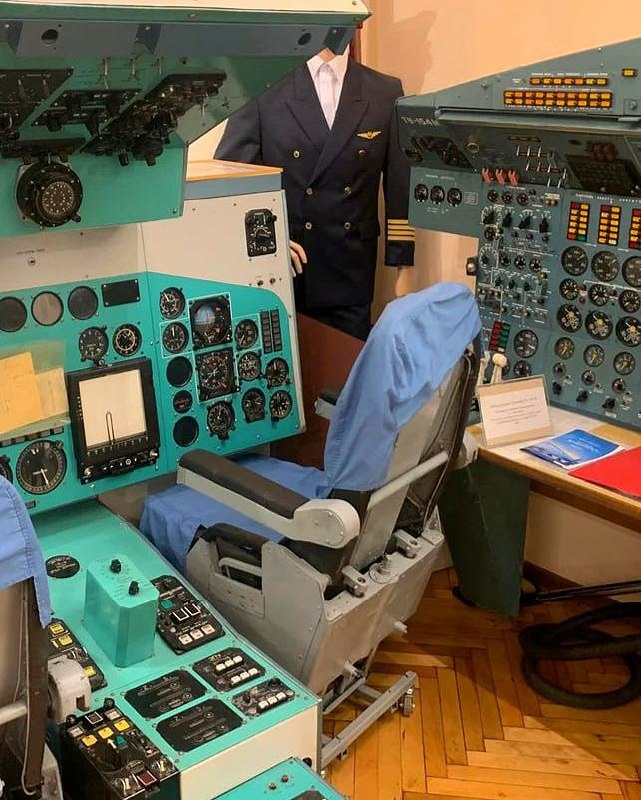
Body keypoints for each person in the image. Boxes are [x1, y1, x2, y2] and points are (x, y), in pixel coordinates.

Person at [215, 46, 415, 340]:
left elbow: (400, 186)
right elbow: (231, 179)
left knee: (348, 367)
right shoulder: (263, 86)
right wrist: (270, 238)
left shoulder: (385, 91)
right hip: (286, 272)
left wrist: (403, 270)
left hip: (351, 275)